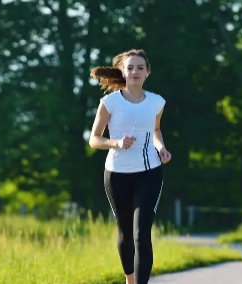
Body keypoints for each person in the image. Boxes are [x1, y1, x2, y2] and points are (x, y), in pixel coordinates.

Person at [88, 48, 172, 284]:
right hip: (116, 175)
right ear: (123, 72)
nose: (135, 71)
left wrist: (161, 148)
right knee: (125, 233)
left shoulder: (157, 102)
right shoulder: (109, 102)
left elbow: (155, 130)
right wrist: (116, 142)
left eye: (140, 68)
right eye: (130, 67)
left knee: (141, 234)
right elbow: (94, 139)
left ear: (148, 72)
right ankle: (130, 279)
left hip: (150, 172)